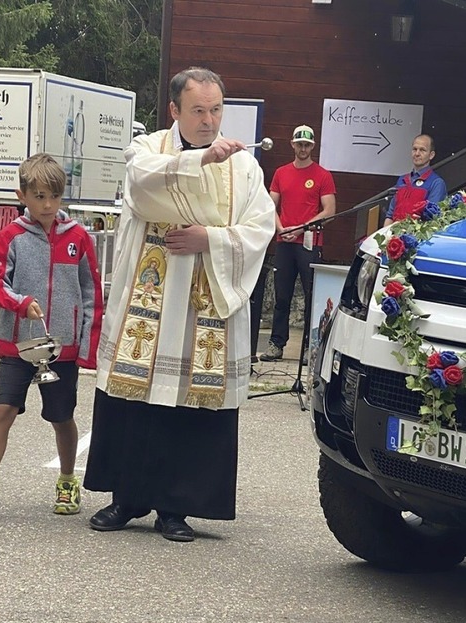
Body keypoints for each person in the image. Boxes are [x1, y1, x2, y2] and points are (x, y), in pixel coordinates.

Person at [83, 67, 275, 542]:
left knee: (191, 400)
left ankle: (177, 507)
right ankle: (127, 498)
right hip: (151, 294)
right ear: (174, 110)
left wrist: (207, 237)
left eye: (215, 110)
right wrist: (200, 161)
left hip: (205, 297)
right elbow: (142, 186)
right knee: (137, 395)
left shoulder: (245, 166)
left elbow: (259, 228)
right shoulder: (148, 149)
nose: (209, 121)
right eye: (198, 111)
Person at [0, 153, 102, 519]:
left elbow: (92, 295)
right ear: (22, 195)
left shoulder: (80, 238)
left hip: (62, 349)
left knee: (61, 416)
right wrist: (20, 303)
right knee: (2, 411)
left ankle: (67, 480)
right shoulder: (10, 237)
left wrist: (87, 348)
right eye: (38, 196)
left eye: (54, 195)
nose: (48, 204)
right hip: (17, 346)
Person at [259, 125, 336, 363]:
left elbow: (330, 210)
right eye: (299, 144)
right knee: (282, 296)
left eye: (307, 145)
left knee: (312, 295)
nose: (302, 148)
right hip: (284, 241)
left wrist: (301, 228)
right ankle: (276, 344)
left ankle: (309, 347)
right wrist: (281, 228)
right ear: (292, 145)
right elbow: (270, 205)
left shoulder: (322, 175)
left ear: (312, 146)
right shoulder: (282, 173)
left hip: (309, 243)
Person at [383, 133, 447, 226]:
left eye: (422, 150)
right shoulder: (402, 180)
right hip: (394, 236)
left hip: (418, 238)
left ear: (431, 155)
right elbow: (390, 215)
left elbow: (432, 220)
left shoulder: (436, 183)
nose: (417, 153)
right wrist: (386, 238)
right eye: (414, 149)